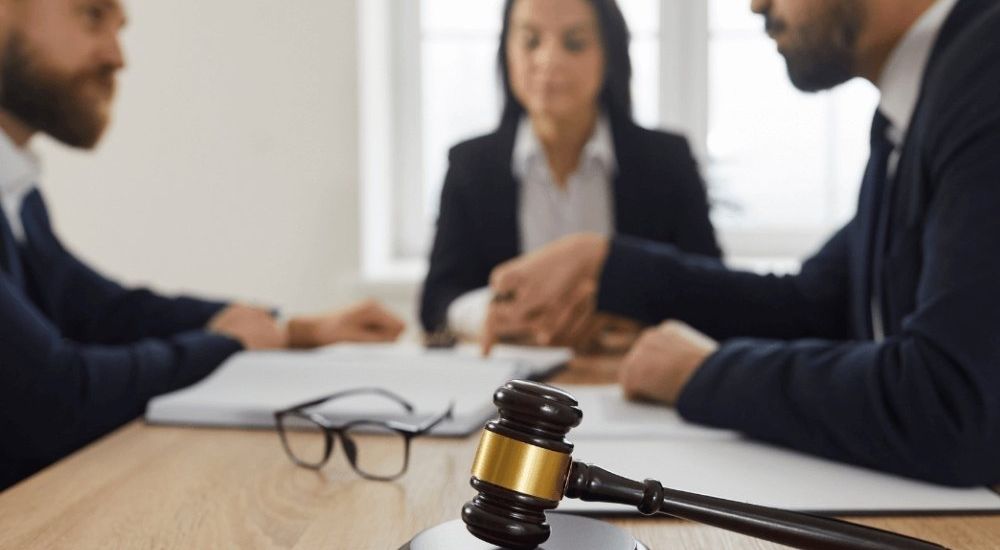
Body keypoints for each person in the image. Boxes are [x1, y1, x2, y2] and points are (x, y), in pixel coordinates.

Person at [482, 0, 1000, 486]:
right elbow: (815, 303)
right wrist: (606, 264)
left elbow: (950, 402)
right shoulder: (919, 108)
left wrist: (702, 375)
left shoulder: (985, 79)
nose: (755, 4)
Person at [0, 0, 404, 490]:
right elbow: (55, 397)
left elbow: (101, 311)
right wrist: (227, 344)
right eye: (91, 15)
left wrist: (289, 329)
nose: (117, 55)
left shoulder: (17, 191)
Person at [419, 0, 720, 347]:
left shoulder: (667, 160)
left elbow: (711, 289)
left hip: (631, 379)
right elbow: (437, 300)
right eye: (530, 41)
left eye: (574, 43)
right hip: (514, 387)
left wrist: (635, 320)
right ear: (507, 51)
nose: (549, 60)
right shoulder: (471, 165)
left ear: (610, 52)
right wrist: (489, 312)